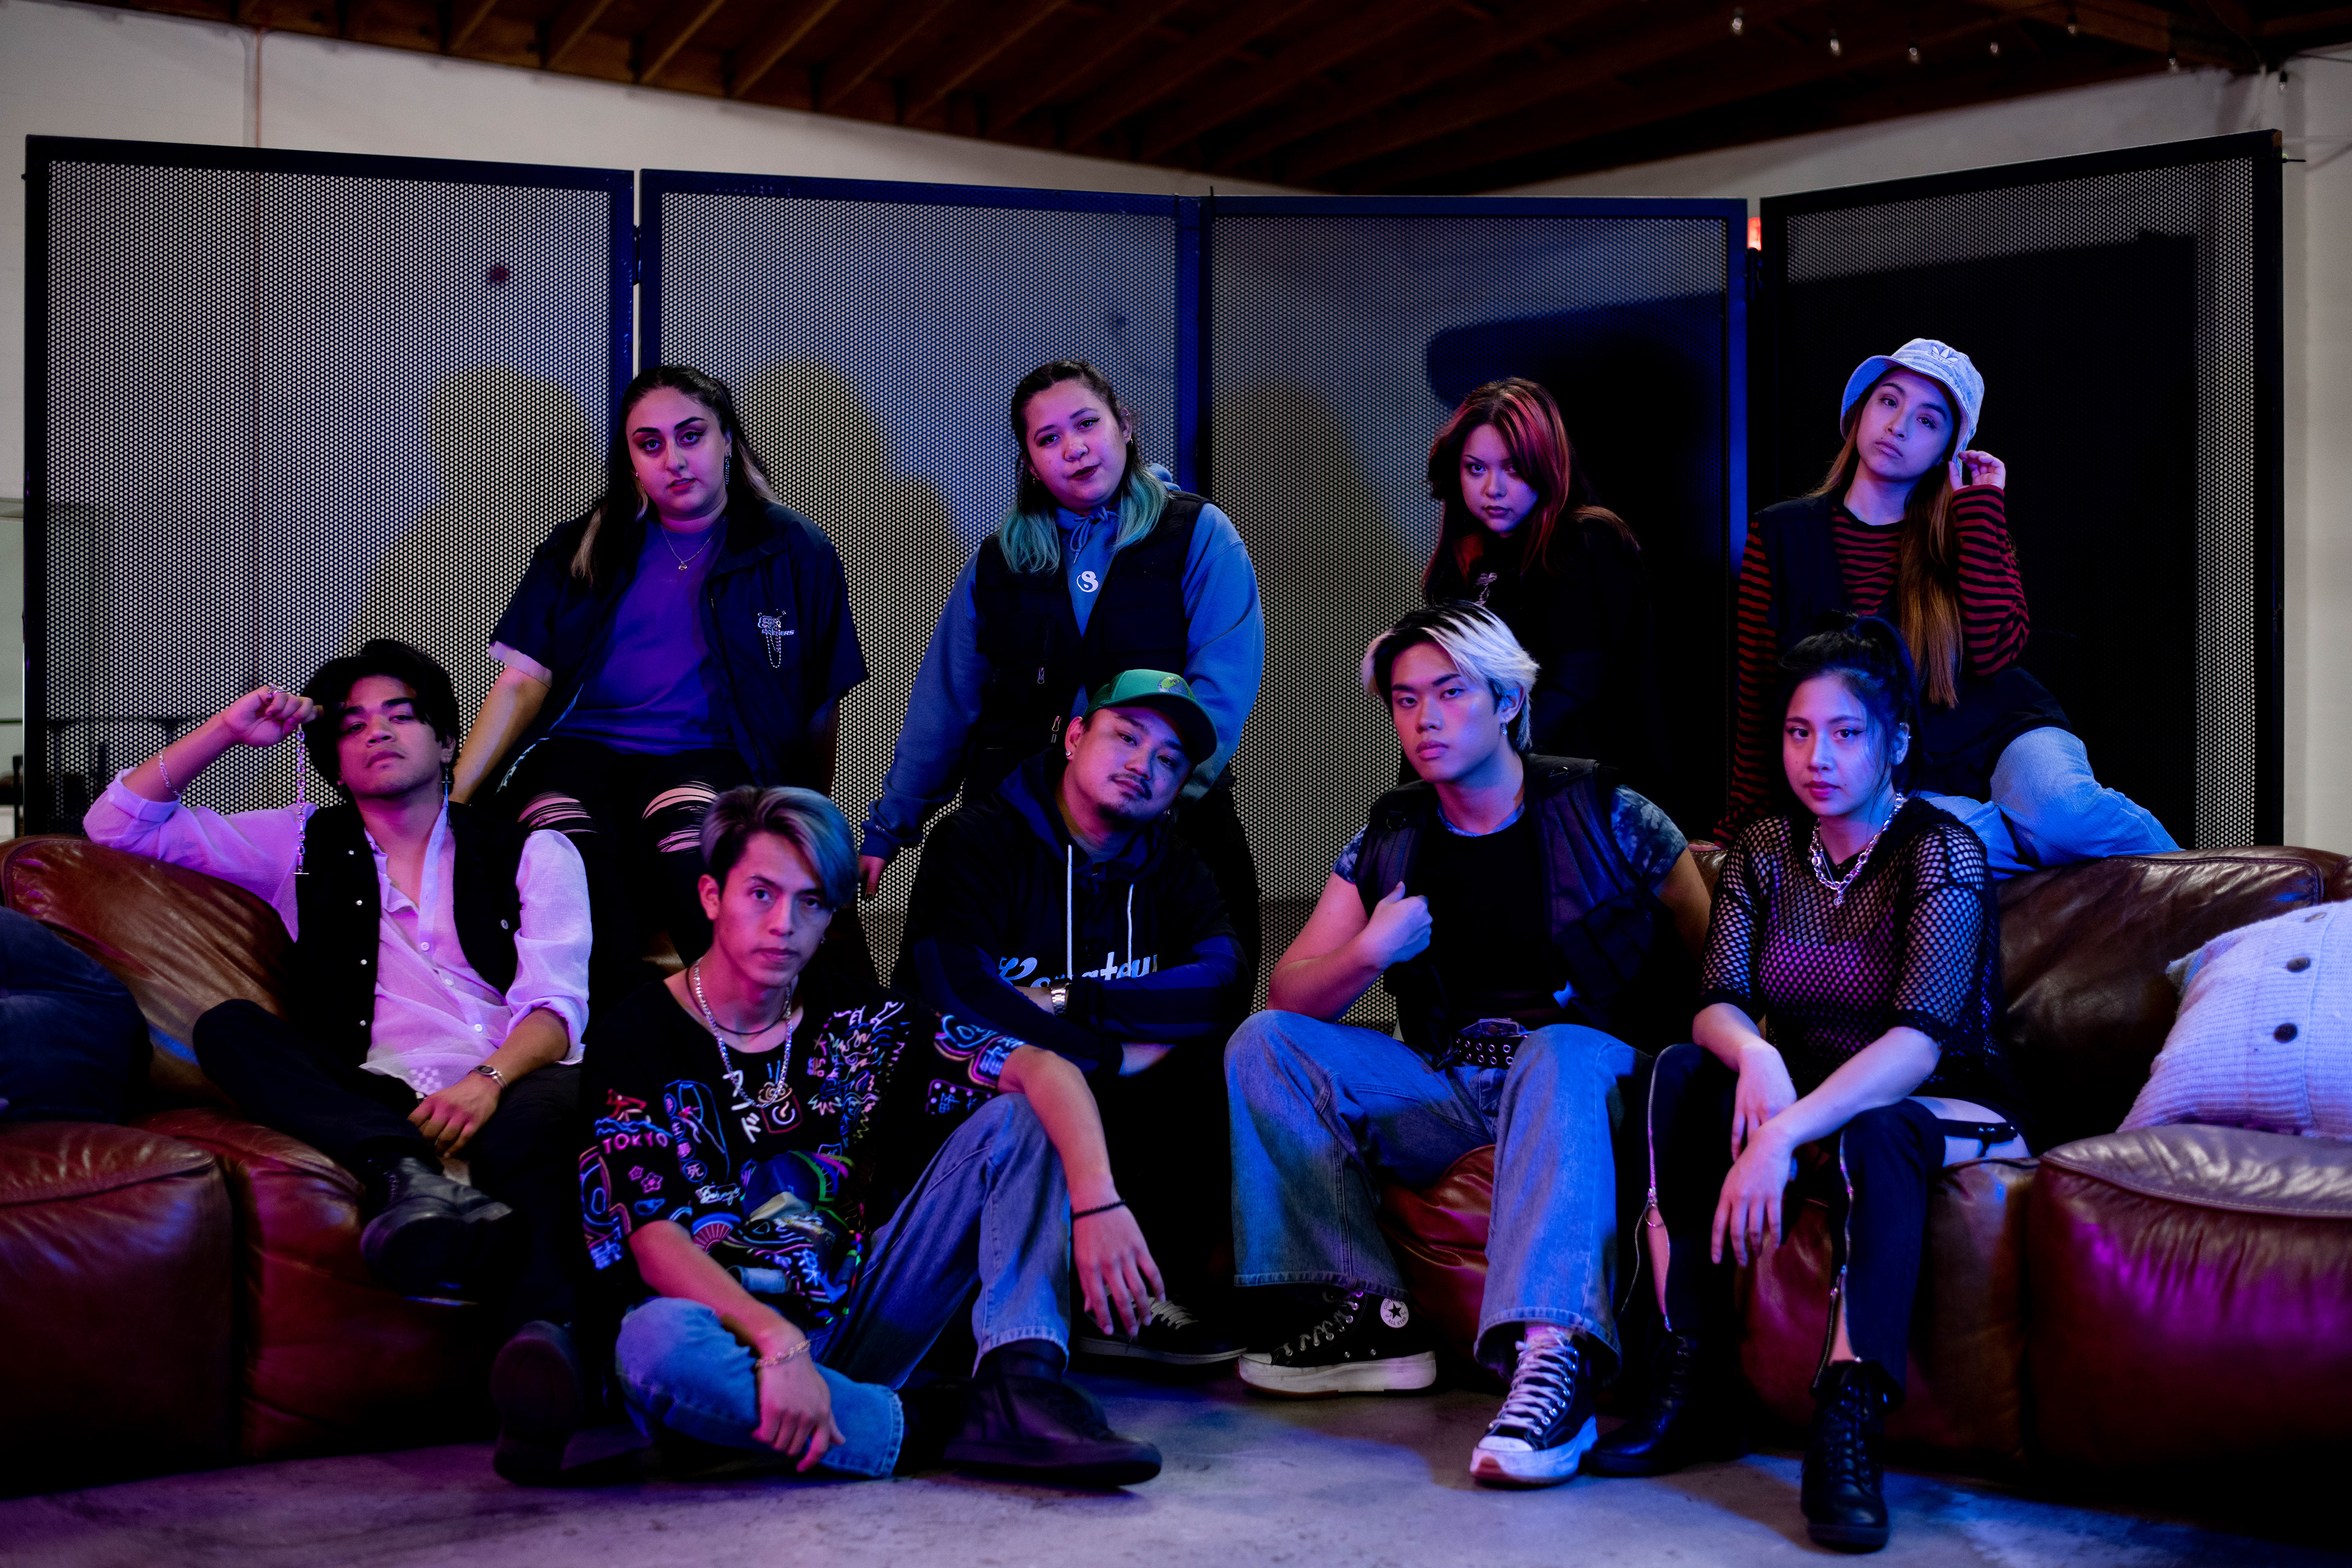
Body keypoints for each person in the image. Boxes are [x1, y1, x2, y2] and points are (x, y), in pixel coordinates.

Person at [507, 785, 1161, 1488]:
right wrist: (775, 1340)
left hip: (855, 1314)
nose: (784, 923)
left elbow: (1043, 1067)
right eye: (762, 893)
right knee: (653, 1344)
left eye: (811, 902)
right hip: (722, 1337)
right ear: (711, 895)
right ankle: (946, 1424)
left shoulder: (861, 1018)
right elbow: (654, 1241)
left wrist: (1099, 1202)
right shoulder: (636, 1035)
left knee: (1023, 1113)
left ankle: (1020, 1384)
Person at [1224, 603, 1712, 1488]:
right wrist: (1371, 951)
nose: (1426, 719)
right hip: (1453, 1087)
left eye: (1450, 694)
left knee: (1558, 1049)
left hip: (1588, 1081)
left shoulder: (1609, 811)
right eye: (1406, 700)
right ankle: (1369, 1314)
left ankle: (1553, 1360)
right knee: (1266, 1043)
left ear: (1508, 701)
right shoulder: (1392, 834)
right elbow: (1290, 995)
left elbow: (1715, 959)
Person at [1594, 617, 2029, 1553]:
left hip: (1946, 1098)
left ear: (1895, 742)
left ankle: (1848, 1413)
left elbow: (1918, 1044)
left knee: (1880, 1130)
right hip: (1808, 1088)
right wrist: (1756, 1058)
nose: (1817, 758)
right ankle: (1692, 1373)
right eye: (1799, 733)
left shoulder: (1941, 851)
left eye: (1845, 733)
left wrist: (1783, 1133)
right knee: (1680, 1072)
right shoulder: (1762, 848)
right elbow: (1717, 1001)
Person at [83, 640, 592, 1362]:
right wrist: (228, 728)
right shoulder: (296, 843)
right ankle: (405, 1172)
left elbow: (556, 1011)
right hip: (380, 1094)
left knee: (538, 1129)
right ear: (335, 761)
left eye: (401, 715)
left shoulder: (537, 853)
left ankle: (549, 1344)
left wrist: (488, 1081)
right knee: (230, 1029)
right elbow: (115, 825)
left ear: (447, 742)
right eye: (353, 725)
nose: (377, 731)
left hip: (514, 1076)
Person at [453, 364, 867, 1005]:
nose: (673, 459)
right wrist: (452, 800)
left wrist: (808, 809)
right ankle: (624, 1025)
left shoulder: (793, 548)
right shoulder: (584, 544)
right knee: (561, 839)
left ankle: (748, 1024)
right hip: (581, 748)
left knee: (688, 828)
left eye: (691, 435)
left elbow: (819, 702)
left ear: (727, 439)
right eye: (650, 444)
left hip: (712, 753)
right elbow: (520, 683)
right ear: (632, 461)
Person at [856, 359, 1267, 973]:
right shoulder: (997, 562)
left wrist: (1157, 794)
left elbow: (1222, 689)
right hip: (1018, 833)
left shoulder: (1199, 533)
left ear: (1124, 425)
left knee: (1196, 1001)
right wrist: (891, 827)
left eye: (1087, 424)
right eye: (1048, 439)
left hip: (1168, 822)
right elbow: (944, 706)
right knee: (971, 1001)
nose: (1074, 448)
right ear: (1029, 462)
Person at [889, 669, 1247, 1367]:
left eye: (1169, 759)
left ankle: (1139, 1294)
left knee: (1216, 1062)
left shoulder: (1175, 864)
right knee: (1029, 1086)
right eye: (1127, 737)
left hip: (1108, 1092)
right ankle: (1003, 1308)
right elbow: (958, 994)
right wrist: (1106, 1054)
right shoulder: (977, 840)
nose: (1144, 765)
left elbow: (1221, 985)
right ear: (1076, 735)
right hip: (984, 1103)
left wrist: (1069, 1001)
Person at [1719, 338, 2174, 873]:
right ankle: (2028, 836)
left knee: (2066, 814)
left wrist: (1981, 511)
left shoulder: (1968, 524)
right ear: (1860, 412)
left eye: (1927, 420)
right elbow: (1759, 688)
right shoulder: (1780, 534)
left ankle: (2211, 898)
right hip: (1896, 767)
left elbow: (1995, 653)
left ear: (1946, 452)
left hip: (2002, 728)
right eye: (1889, 401)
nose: (1898, 426)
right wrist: (1740, 825)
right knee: (1918, 842)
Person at [1422, 377, 1664, 786]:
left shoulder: (1586, 541)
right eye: (1476, 468)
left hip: (1574, 788)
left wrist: (1482, 762)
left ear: (1545, 465)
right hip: (1492, 783)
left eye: (1514, 468)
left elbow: (1574, 687)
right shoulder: (1468, 557)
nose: (1493, 489)